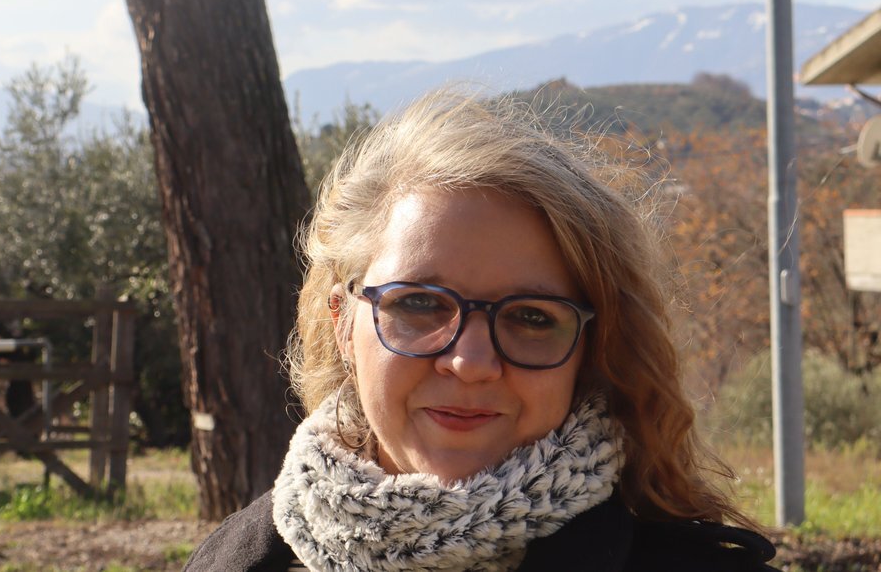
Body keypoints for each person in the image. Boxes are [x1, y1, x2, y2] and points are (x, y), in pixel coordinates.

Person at [185, 89, 779, 571]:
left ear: (592, 349)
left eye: (531, 317)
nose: (470, 362)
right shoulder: (231, 563)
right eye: (419, 303)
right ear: (344, 325)